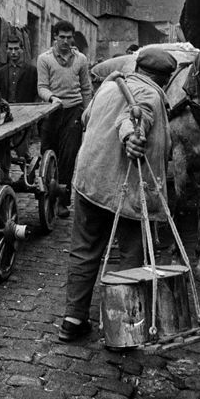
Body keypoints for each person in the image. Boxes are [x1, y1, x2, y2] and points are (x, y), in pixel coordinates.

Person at [58, 47, 177, 342]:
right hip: (127, 191)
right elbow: (134, 119)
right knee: (132, 254)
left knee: (85, 249)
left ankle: (73, 319)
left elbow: (86, 118)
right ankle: (123, 328)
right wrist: (130, 138)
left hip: (89, 180)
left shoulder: (110, 85)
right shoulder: (150, 96)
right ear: (165, 79)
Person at [37, 20, 93, 218]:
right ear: (55, 37)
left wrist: (87, 114)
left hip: (73, 112)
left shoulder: (81, 60)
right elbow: (42, 86)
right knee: (47, 154)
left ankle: (63, 201)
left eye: (69, 37)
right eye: (62, 37)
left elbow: (86, 89)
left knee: (68, 158)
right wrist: (52, 98)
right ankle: (45, 197)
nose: (66, 41)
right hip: (52, 111)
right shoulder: (44, 59)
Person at [0, 30, 38, 185]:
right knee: (3, 145)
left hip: (25, 114)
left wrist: (33, 118)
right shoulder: (0, 72)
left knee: (21, 147)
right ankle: (4, 178)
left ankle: (29, 169)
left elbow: (35, 94)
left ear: (22, 50)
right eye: (10, 49)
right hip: (5, 115)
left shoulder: (32, 71)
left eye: (16, 49)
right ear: (6, 50)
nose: (13, 52)